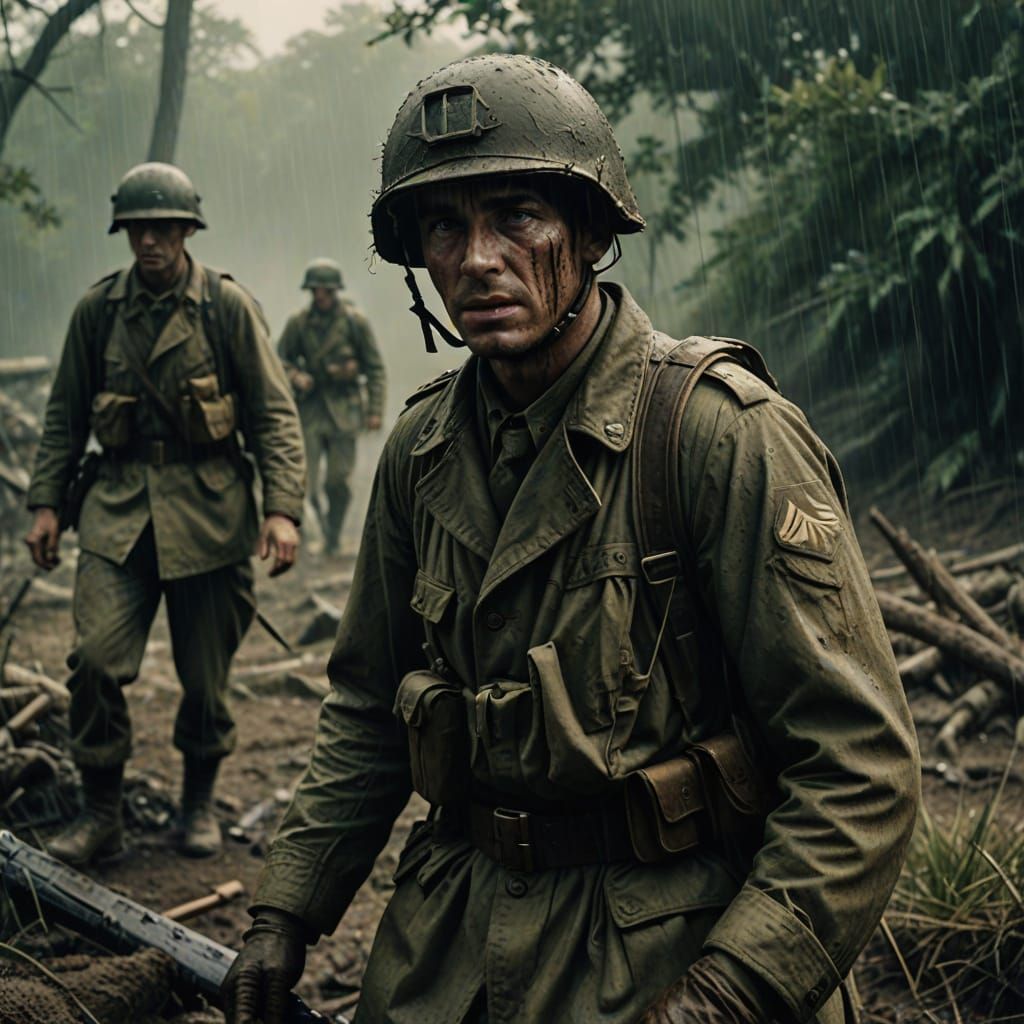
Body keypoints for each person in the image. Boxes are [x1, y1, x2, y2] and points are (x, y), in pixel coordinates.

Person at [222, 55, 920, 1024]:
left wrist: (725, 993)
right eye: (443, 225)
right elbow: (369, 708)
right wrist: (284, 910)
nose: (476, 258)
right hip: (451, 944)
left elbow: (857, 769)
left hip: (671, 945)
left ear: (589, 231)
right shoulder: (420, 451)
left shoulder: (717, 433)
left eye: (516, 215)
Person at [24, 162, 305, 863]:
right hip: (118, 511)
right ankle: (100, 815)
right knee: (93, 660)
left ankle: (199, 804)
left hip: (209, 514)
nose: (149, 241)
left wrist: (283, 510)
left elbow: (273, 416)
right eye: (137, 228)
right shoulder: (99, 311)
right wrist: (46, 504)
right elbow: (62, 417)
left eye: (163, 228)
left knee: (206, 680)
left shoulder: (225, 308)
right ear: (125, 231)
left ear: (186, 231)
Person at [277, 259, 385, 554]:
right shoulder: (298, 323)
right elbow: (278, 360)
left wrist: (375, 411)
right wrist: (296, 376)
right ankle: (323, 530)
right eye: (315, 289)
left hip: (344, 411)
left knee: (337, 481)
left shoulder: (354, 322)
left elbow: (374, 368)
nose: (320, 295)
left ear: (335, 290)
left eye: (325, 289)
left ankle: (334, 534)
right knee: (308, 486)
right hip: (311, 411)